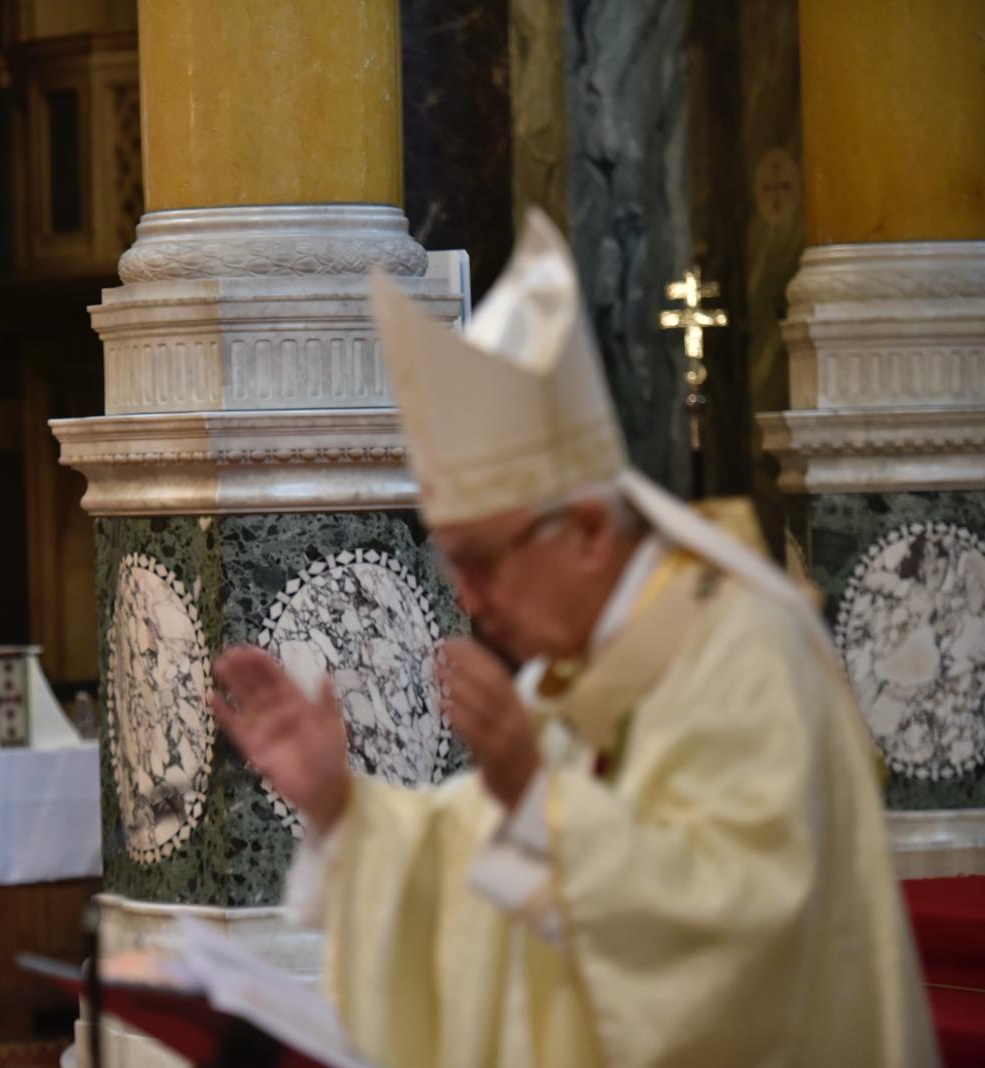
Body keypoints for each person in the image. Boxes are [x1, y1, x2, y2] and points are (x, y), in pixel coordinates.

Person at [211, 212, 937, 1067]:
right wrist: (341, 805)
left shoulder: (747, 650)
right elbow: (465, 854)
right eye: (455, 568)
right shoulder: (572, 677)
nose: (473, 601)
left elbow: (747, 928)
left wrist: (532, 794)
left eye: (484, 560)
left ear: (590, 530)